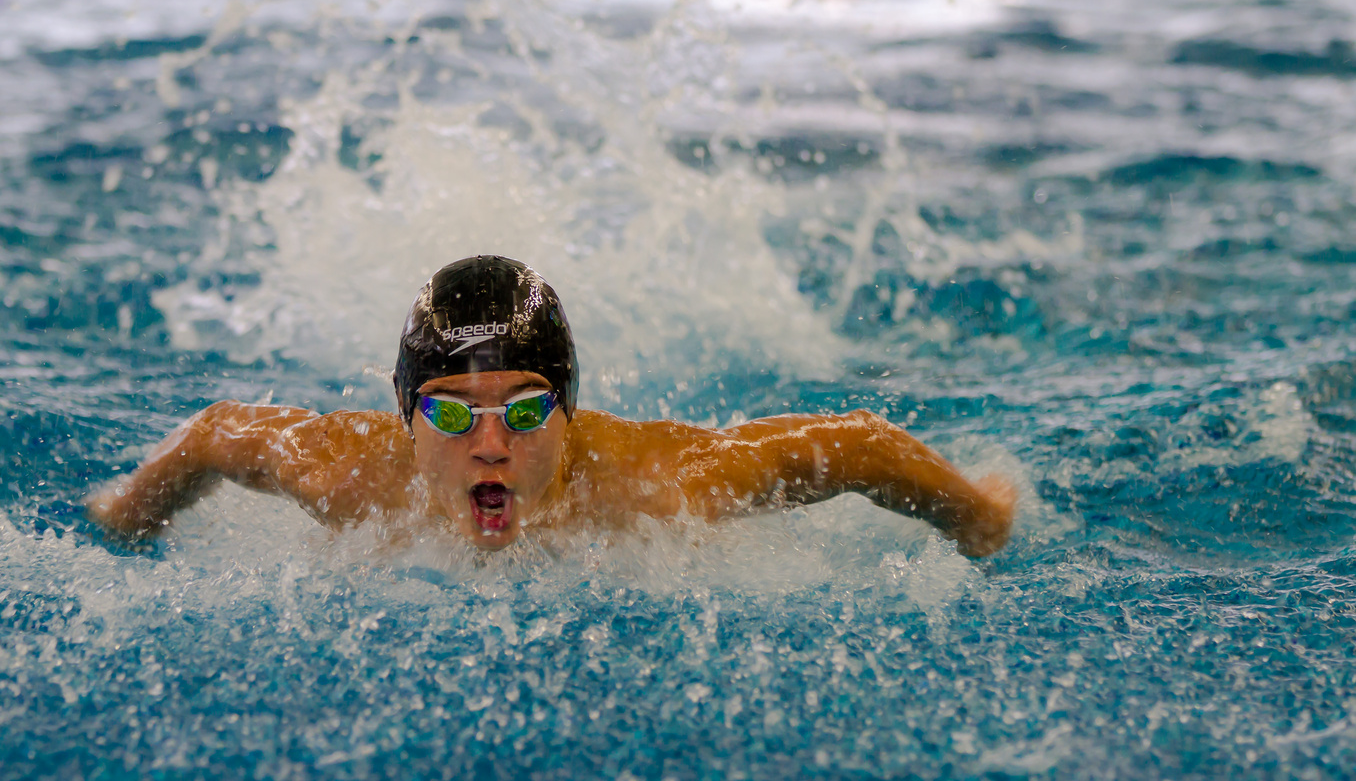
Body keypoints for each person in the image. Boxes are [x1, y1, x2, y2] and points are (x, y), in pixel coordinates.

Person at [85, 255, 1016, 557]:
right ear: (405, 416)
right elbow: (212, 433)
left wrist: (982, 521)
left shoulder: (653, 486)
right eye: (450, 415)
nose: (489, 446)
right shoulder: (344, 474)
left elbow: (859, 444)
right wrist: (125, 520)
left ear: (571, 412)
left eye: (525, 413)